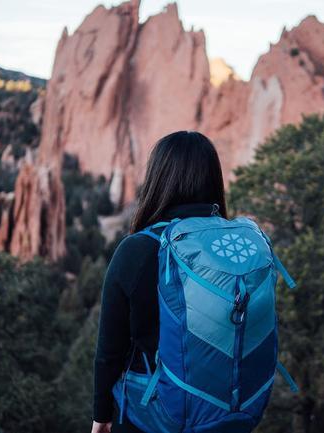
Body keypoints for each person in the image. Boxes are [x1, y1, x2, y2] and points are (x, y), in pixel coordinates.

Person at [91, 131, 228, 433]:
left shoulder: (138, 249)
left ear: (158, 179)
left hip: (152, 415)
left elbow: (108, 352)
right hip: (223, 412)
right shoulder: (230, 250)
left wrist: (101, 418)